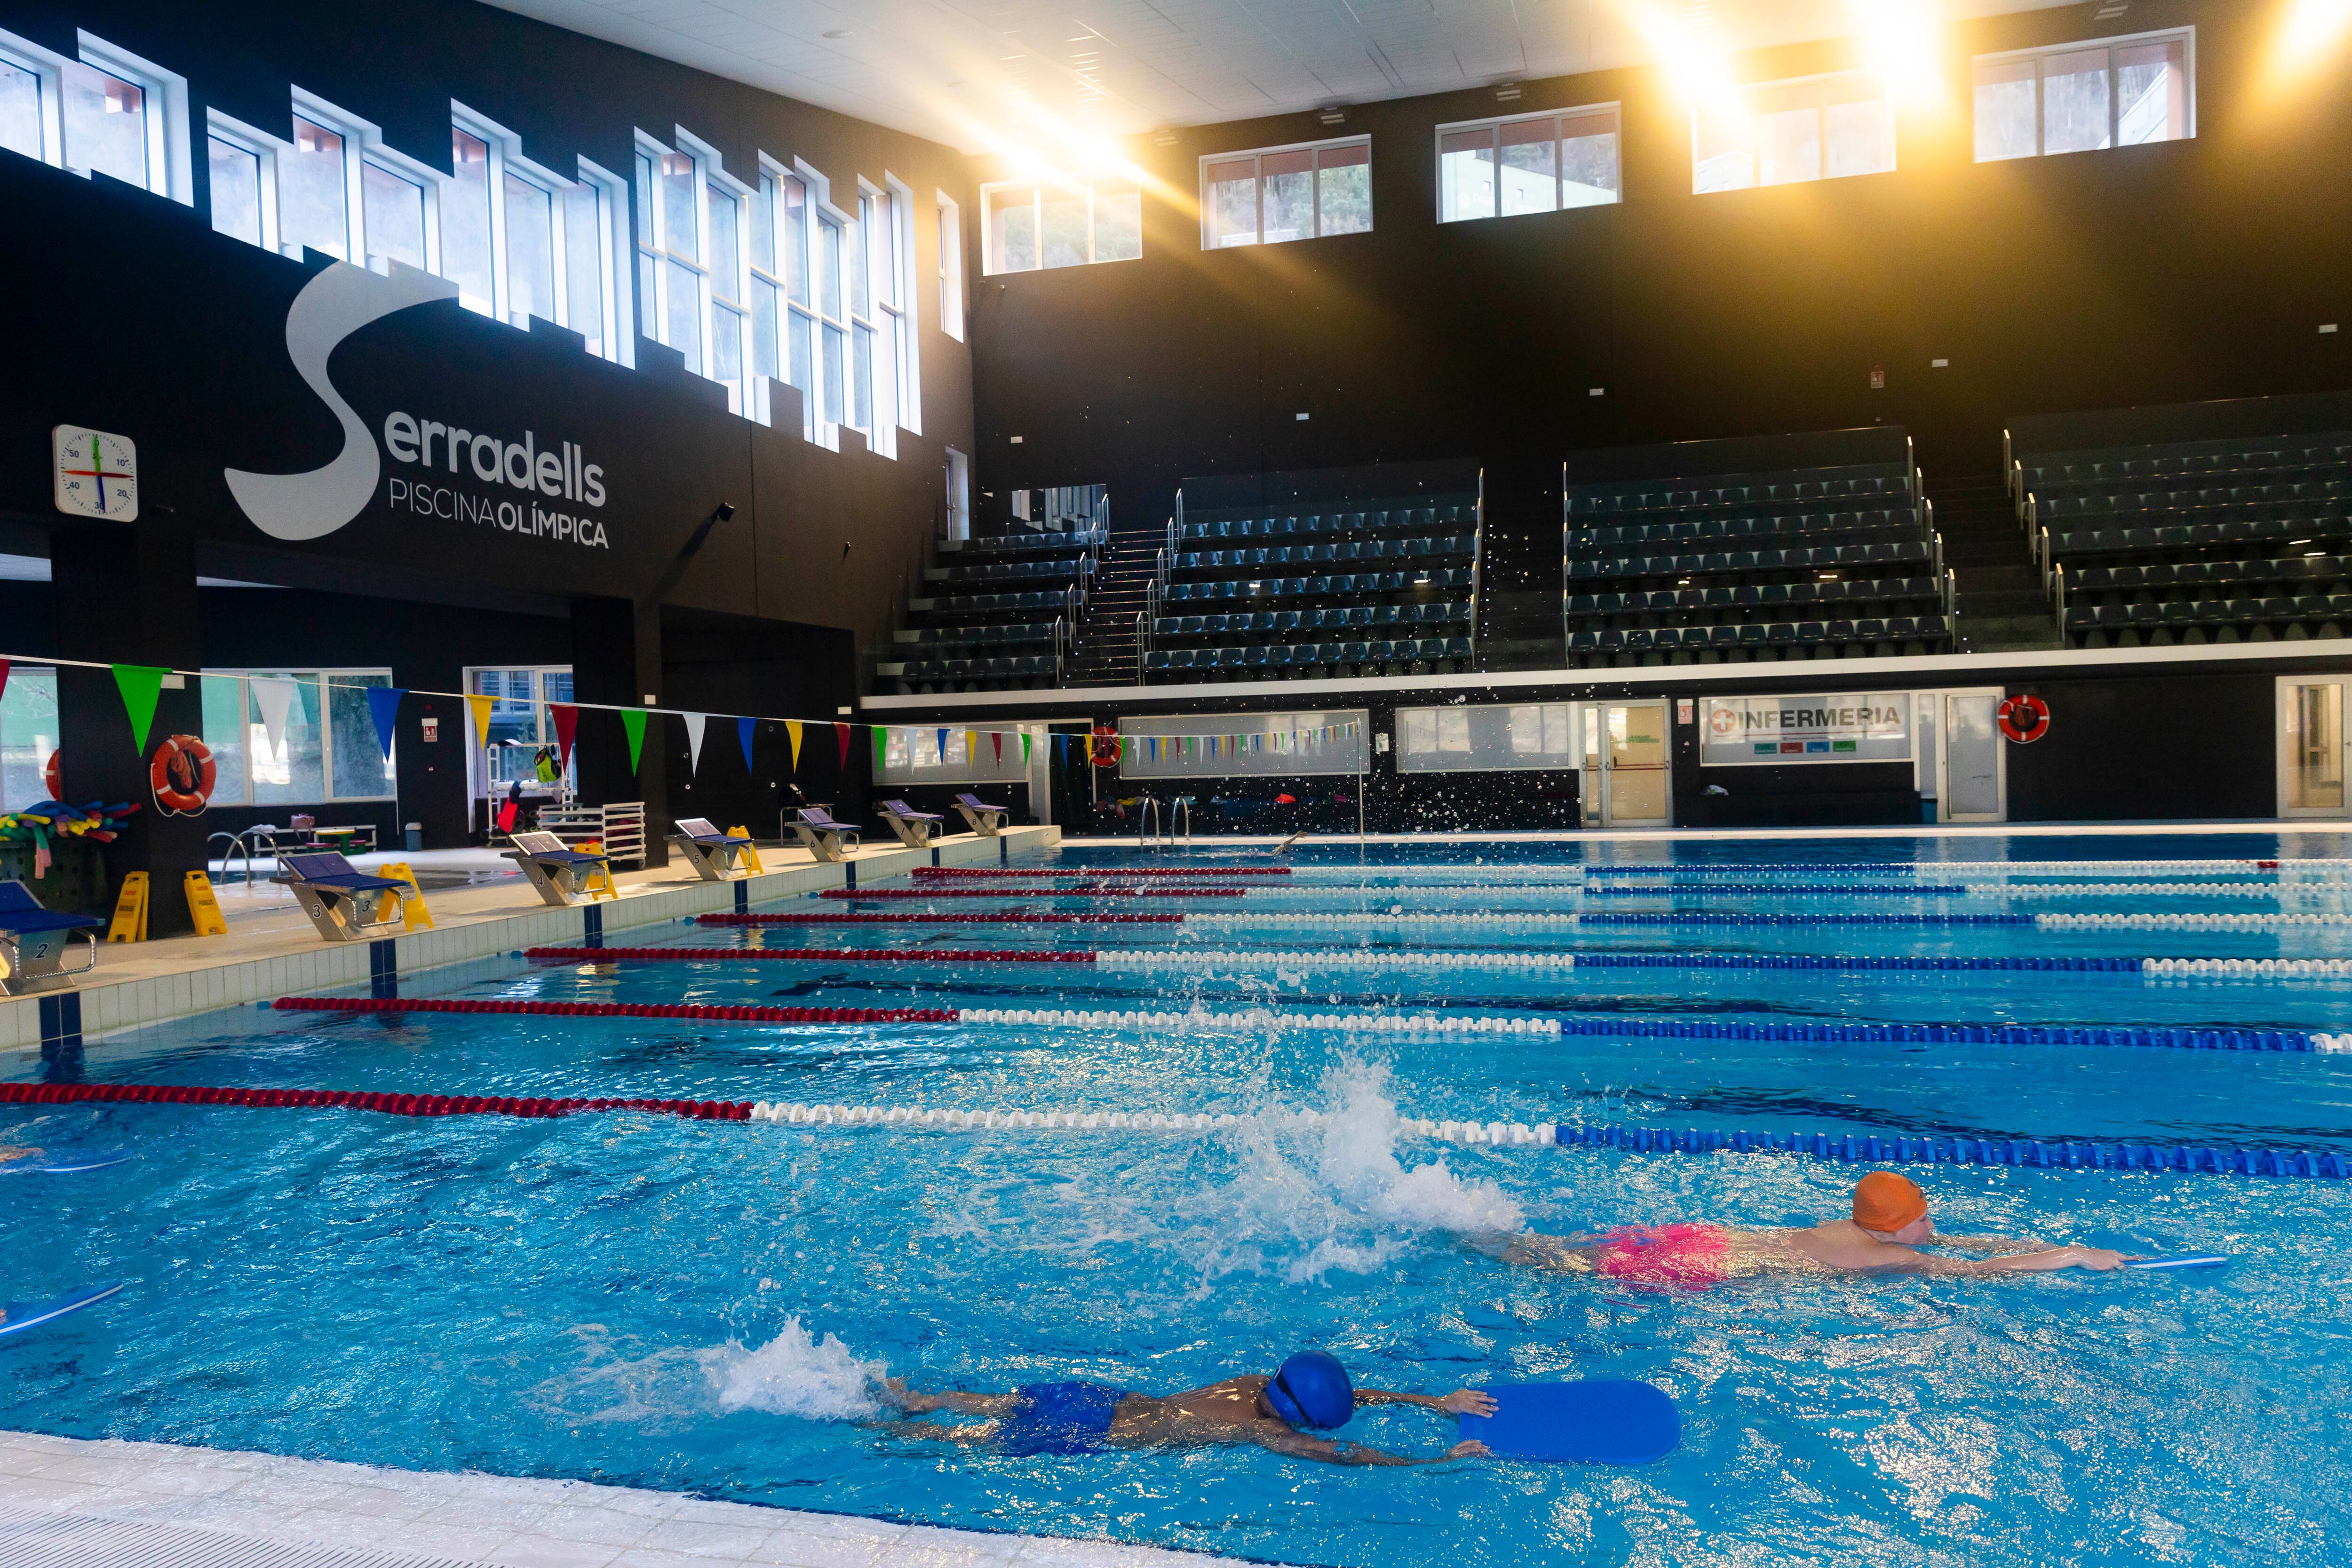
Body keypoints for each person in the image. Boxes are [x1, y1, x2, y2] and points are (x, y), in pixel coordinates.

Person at [1482, 1171, 2130, 1288]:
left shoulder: (1850, 1226)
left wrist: (2042, 1243)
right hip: (1722, 1270)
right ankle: (1480, 1243)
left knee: (1570, 1252)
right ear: (1898, 1229)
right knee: (1561, 1268)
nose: (1937, 1226)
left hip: (1712, 1238)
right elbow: (1980, 1272)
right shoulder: (1897, 1261)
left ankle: (1487, 1231)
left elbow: (1973, 1245)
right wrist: (2071, 1255)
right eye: (1924, 1217)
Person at [874, 1349, 1494, 1465]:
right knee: (966, 1441)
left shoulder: (1259, 1381)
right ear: (1296, 1418)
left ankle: (909, 1398)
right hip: (1094, 1433)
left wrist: (1433, 1399)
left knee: (996, 1404)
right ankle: (876, 1427)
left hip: (1105, 1397)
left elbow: (1350, 1395)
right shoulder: (1266, 1434)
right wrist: (1434, 1457)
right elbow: (1348, 1452)